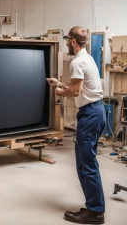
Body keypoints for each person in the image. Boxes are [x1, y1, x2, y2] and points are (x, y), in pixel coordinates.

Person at [47, 26, 106, 224]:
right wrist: (60, 84)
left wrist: (60, 92)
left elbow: (74, 92)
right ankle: (93, 205)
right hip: (97, 111)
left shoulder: (78, 62)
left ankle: (95, 211)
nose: (66, 43)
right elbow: (79, 87)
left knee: (87, 164)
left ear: (72, 41)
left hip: (90, 115)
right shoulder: (87, 58)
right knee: (85, 162)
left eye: (66, 40)